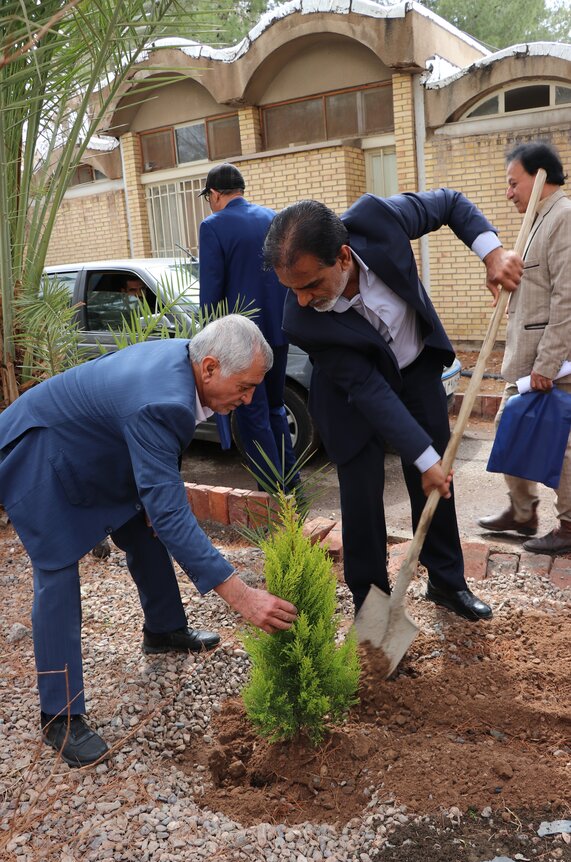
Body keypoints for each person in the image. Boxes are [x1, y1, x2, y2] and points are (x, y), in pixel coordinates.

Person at [0, 315, 297, 767]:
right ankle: (58, 717)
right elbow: (172, 511)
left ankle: (163, 630)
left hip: (96, 448)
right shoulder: (163, 398)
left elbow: (162, 486)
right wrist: (243, 597)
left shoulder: (188, 363)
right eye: (246, 386)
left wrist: (157, 502)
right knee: (57, 568)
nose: (250, 398)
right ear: (211, 367)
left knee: (145, 526)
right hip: (41, 452)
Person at [263, 192, 523, 621]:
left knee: (438, 484)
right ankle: (374, 610)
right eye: (292, 289)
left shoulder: (376, 220)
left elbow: (451, 205)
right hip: (352, 399)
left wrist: (491, 253)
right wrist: (424, 458)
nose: (303, 299)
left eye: (310, 284)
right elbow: (366, 388)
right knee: (362, 501)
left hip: (416, 368)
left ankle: (446, 581)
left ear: (343, 256)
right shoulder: (301, 319)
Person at [478, 142, 571, 553]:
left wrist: (548, 364)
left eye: (513, 183)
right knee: (511, 429)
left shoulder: (564, 218)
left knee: (561, 441)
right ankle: (522, 511)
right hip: (526, 359)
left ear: (540, 177)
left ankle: (569, 526)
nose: (509, 192)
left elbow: (567, 298)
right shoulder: (538, 221)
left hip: (552, 362)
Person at [199, 163, 298, 490]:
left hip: (240, 341)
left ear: (214, 194)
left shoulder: (212, 226)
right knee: (275, 409)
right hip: (279, 331)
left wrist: (208, 342)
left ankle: (274, 498)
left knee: (251, 416)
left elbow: (211, 292)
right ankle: (292, 489)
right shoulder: (272, 217)